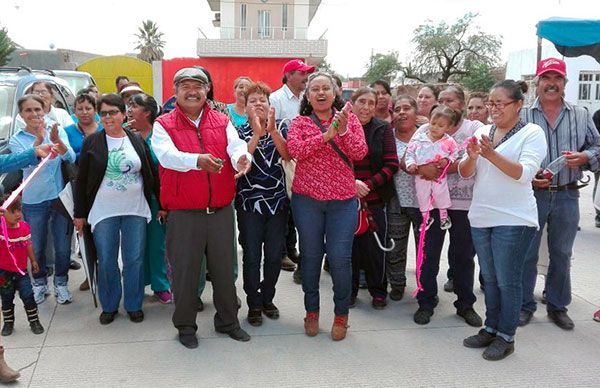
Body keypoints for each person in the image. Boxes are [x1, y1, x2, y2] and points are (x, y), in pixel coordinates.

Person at [151, 67, 252, 349]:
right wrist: (197, 160)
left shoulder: (222, 120)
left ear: (207, 90)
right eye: (186, 85)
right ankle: (185, 326)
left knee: (224, 272)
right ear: (176, 91)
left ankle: (228, 322)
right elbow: (166, 156)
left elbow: (236, 146)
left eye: (198, 85)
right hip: (184, 214)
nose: (192, 90)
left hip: (220, 211)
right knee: (185, 274)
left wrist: (243, 158)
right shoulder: (164, 124)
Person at [459, 80, 547, 361]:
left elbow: (523, 174)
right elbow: (464, 172)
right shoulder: (484, 131)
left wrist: (490, 153)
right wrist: (472, 157)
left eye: (500, 103)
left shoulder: (532, 133)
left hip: (514, 218)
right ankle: (491, 327)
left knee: (508, 281)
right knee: (491, 278)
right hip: (482, 216)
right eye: (491, 103)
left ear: (518, 105)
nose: (493, 109)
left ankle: (506, 337)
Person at [519, 58, 600, 330]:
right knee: (527, 252)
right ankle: (523, 305)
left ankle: (557, 305)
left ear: (565, 83)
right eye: (546, 78)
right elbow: (507, 149)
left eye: (557, 79)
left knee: (562, 253)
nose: (551, 84)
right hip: (530, 195)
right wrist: (529, 173)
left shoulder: (580, 113)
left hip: (567, 194)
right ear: (537, 83)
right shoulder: (523, 115)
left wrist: (585, 156)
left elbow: (597, 145)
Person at [287, 72, 368, 341]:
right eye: (314, 89)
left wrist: (341, 131)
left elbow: (359, 153)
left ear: (335, 93)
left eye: (326, 88)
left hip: (342, 202)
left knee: (340, 259)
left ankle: (341, 315)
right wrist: (325, 136)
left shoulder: (350, 119)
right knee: (310, 257)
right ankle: (312, 312)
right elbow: (295, 150)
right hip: (307, 201)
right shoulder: (299, 122)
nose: (320, 93)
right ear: (307, 96)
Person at [74, 93, 156, 325]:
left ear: (123, 114)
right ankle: (109, 305)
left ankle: (133, 304)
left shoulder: (136, 139)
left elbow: (149, 172)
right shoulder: (92, 142)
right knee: (107, 259)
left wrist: (160, 203)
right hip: (103, 212)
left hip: (135, 210)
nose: (108, 117)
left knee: (134, 259)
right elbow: (82, 181)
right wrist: (80, 214)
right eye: (104, 113)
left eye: (113, 112)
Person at [413, 84, 483, 326]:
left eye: (451, 100)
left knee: (463, 257)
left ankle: (465, 305)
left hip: (464, 205)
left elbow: (475, 155)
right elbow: (407, 158)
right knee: (428, 254)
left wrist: (443, 167)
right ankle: (425, 302)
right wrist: (421, 167)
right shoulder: (425, 129)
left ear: (462, 105)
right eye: (441, 99)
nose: (445, 105)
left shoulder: (473, 128)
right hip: (432, 205)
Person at [9, 95, 75, 305]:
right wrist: (38, 139)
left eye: (38, 109)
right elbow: (26, 165)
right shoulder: (17, 138)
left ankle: (61, 284)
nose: (34, 114)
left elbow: (70, 157)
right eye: (28, 110)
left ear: (45, 110)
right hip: (34, 201)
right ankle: (39, 284)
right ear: (21, 115)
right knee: (36, 246)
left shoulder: (56, 130)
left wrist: (56, 140)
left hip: (59, 199)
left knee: (62, 246)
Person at [235, 82, 291, 326]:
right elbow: (241, 160)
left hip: (278, 204)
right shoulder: (236, 131)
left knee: (274, 255)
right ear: (245, 107)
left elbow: (288, 155)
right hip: (249, 205)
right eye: (253, 101)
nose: (258, 104)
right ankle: (253, 304)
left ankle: (268, 298)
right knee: (251, 256)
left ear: (270, 105)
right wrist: (257, 134)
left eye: (262, 100)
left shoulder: (281, 127)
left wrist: (271, 131)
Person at [350, 87, 398, 309]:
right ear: (352, 103)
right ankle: (347, 292)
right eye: (362, 101)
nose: (366, 107)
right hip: (345, 200)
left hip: (374, 199)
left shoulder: (383, 128)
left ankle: (378, 291)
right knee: (348, 251)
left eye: (371, 102)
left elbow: (392, 164)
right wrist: (351, 185)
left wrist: (367, 186)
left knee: (375, 250)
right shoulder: (342, 127)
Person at [270, 59, 315, 275]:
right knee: (284, 208)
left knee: (297, 205)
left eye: (306, 74)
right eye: (301, 73)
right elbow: (275, 131)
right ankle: (281, 253)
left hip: (303, 159)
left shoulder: (306, 99)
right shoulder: (276, 99)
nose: (306, 78)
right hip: (284, 159)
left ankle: (291, 249)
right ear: (289, 76)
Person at [126, 93, 172, 304]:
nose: (129, 110)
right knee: (134, 245)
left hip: (155, 199)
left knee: (156, 244)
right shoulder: (124, 136)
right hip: (131, 199)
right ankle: (137, 283)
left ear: (147, 112)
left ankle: (160, 285)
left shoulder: (159, 136)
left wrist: (164, 203)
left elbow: (165, 170)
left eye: (134, 106)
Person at [386, 95, 423, 301]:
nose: (402, 112)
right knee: (395, 248)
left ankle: (424, 287)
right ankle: (397, 284)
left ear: (415, 112)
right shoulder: (388, 136)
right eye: (397, 109)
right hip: (396, 201)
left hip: (424, 203)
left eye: (407, 108)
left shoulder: (427, 135)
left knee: (424, 250)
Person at [405, 106, 460, 230]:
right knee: (422, 195)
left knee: (441, 193)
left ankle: (444, 217)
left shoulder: (449, 141)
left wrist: (448, 160)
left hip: (439, 175)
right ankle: (426, 218)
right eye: (433, 123)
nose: (435, 127)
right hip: (421, 175)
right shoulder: (419, 138)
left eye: (440, 126)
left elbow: (455, 153)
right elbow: (410, 152)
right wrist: (411, 164)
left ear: (448, 128)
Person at [0, 194, 45, 336]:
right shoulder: (1, 229)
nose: (18, 214)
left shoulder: (24, 228)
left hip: (22, 272)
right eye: (12, 211)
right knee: (6, 297)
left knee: (28, 295)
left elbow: (28, 245)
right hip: (3, 272)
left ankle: (34, 321)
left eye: (19, 210)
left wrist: (33, 260)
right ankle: (8, 322)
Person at [64, 93, 102, 162]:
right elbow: (66, 157)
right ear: (74, 112)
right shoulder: (67, 132)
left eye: (88, 109)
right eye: (80, 109)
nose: (84, 112)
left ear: (95, 110)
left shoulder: (104, 130)